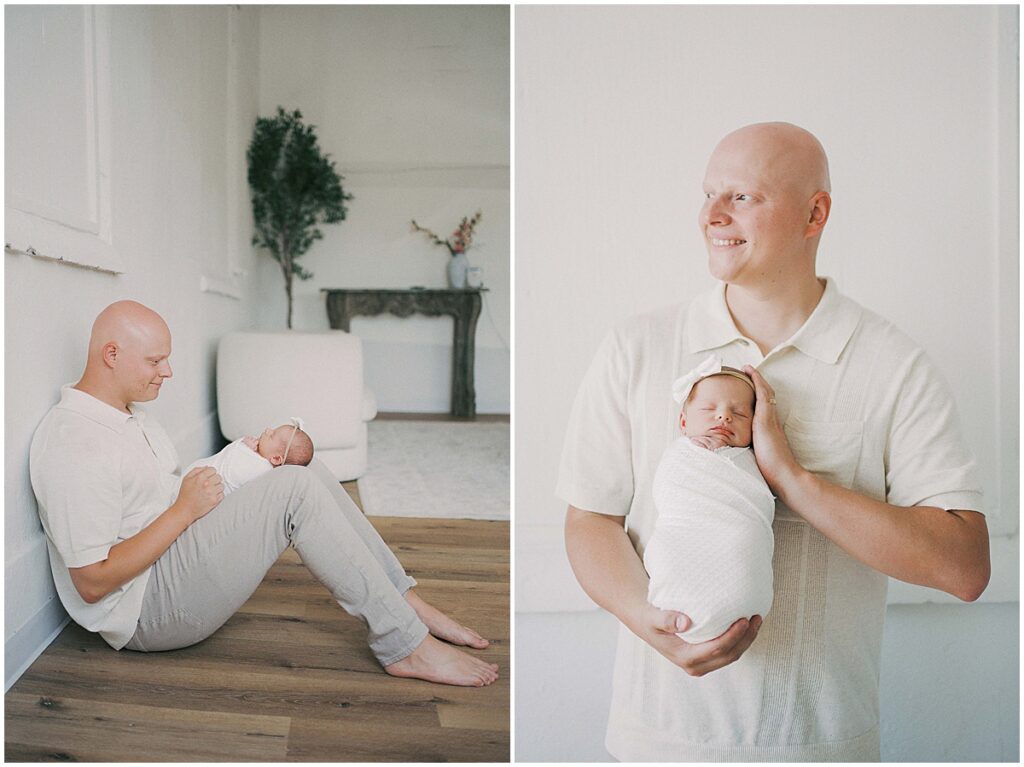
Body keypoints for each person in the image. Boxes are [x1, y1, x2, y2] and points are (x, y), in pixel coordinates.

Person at [558, 122, 989, 760]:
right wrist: (647, 620)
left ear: (815, 214)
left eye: (742, 196)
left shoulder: (894, 366)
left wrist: (793, 479)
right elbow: (589, 518)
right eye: (708, 194)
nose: (711, 215)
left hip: (820, 748)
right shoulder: (637, 346)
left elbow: (964, 568)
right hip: (657, 741)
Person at [30, 300, 499, 687]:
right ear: (112, 354)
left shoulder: (129, 416)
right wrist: (184, 511)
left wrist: (237, 467)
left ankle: (403, 602)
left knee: (299, 465)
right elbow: (91, 583)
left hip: (172, 553)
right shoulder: (75, 443)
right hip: (146, 610)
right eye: (155, 361)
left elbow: (156, 500)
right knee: (292, 490)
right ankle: (406, 645)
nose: (167, 371)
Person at [644, 356, 775, 644]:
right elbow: (668, 491)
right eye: (708, 409)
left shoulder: (751, 461)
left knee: (742, 543)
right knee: (667, 550)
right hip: (684, 534)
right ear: (683, 422)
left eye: (739, 413)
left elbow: (758, 499)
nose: (724, 417)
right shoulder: (680, 456)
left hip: (737, 539)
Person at [183, 420, 315, 496]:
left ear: (276, 459)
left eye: (272, 435)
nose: (267, 430)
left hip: (202, 489)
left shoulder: (260, 470)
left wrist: (242, 447)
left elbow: (232, 471)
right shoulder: (257, 456)